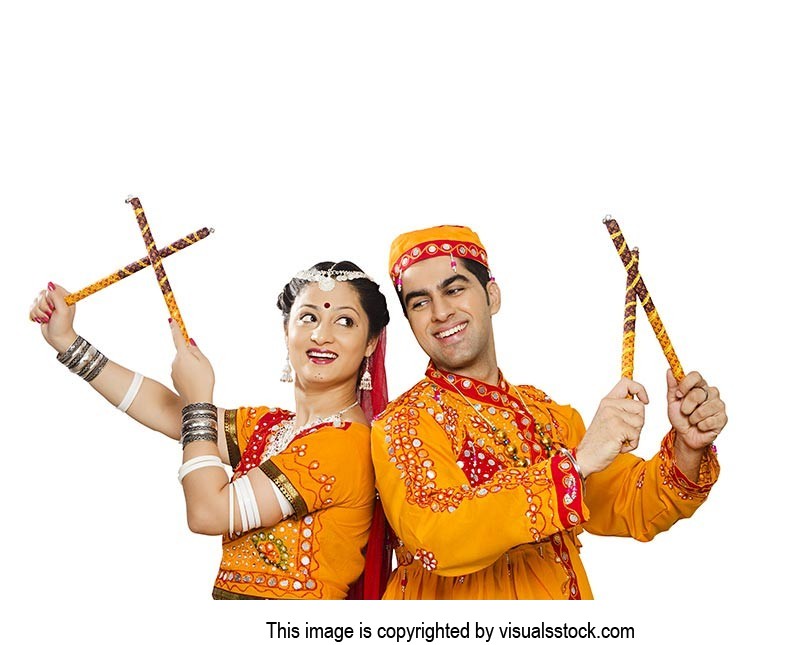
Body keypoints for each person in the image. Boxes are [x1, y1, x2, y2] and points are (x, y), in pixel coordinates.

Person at [371, 226, 727, 599]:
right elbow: (436, 534)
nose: (440, 312)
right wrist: (574, 466)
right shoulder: (403, 423)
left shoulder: (545, 415)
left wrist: (689, 447)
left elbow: (632, 504)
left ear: (492, 296)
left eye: (454, 289)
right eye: (419, 302)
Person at [29, 261, 391, 599]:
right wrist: (68, 343)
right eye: (308, 317)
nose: (321, 334)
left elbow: (207, 512)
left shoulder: (342, 445)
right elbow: (170, 411)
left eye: (344, 322)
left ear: (370, 342)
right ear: (286, 331)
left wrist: (199, 397)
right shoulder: (275, 429)